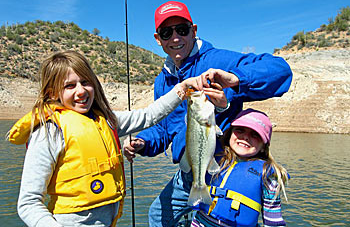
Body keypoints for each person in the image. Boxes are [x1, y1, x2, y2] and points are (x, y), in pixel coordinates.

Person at [122, 0, 293, 226]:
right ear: (158, 39)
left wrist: (235, 79)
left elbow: (280, 71)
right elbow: (163, 130)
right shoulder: (162, 81)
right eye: (166, 32)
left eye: (182, 30)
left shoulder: (219, 60)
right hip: (188, 173)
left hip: (223, 169)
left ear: (194, 31)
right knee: (158, 215)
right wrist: (143, 141)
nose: (175, 38)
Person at [7, 50, 209, 227]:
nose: (80, 91)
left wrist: (183, 89)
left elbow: (149, 115)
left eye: (85, 82)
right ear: (53, 93)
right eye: (70, 86)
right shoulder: (48, 133)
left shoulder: (107, 120)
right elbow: (28, 203)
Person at [191, 108, 288, 227]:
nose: (246, 137)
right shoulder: (212, 155)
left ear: (264, 146)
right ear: (230, 134)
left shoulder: (267, 174)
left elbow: (273, 221)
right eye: (240, 130)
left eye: (255, 135)